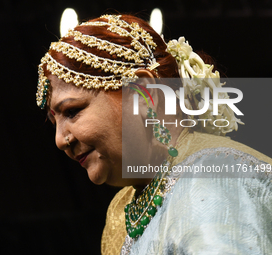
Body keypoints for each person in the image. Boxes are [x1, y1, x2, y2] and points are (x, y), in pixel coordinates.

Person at [36, 14, 272, 254]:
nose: (60, 140)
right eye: (54, 121)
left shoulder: (212, 175)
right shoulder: (121, 209)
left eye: (72, 111)